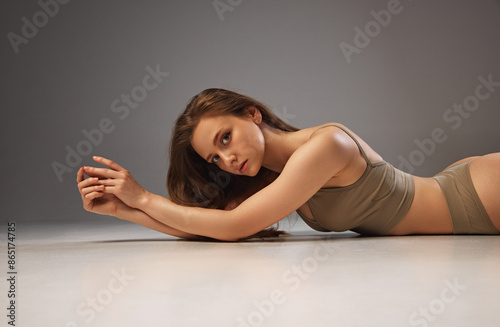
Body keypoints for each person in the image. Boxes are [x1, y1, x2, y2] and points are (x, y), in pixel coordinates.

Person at [76, 88, 500, 241]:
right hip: (463, 194)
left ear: (252, 114)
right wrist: (124, 210)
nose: (227, 159)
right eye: (215, 157)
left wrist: (144, 197)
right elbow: (212, 227)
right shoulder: (276, 177)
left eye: (225, 138)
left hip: (481, 193)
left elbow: (232, 227)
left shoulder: (325, 146)